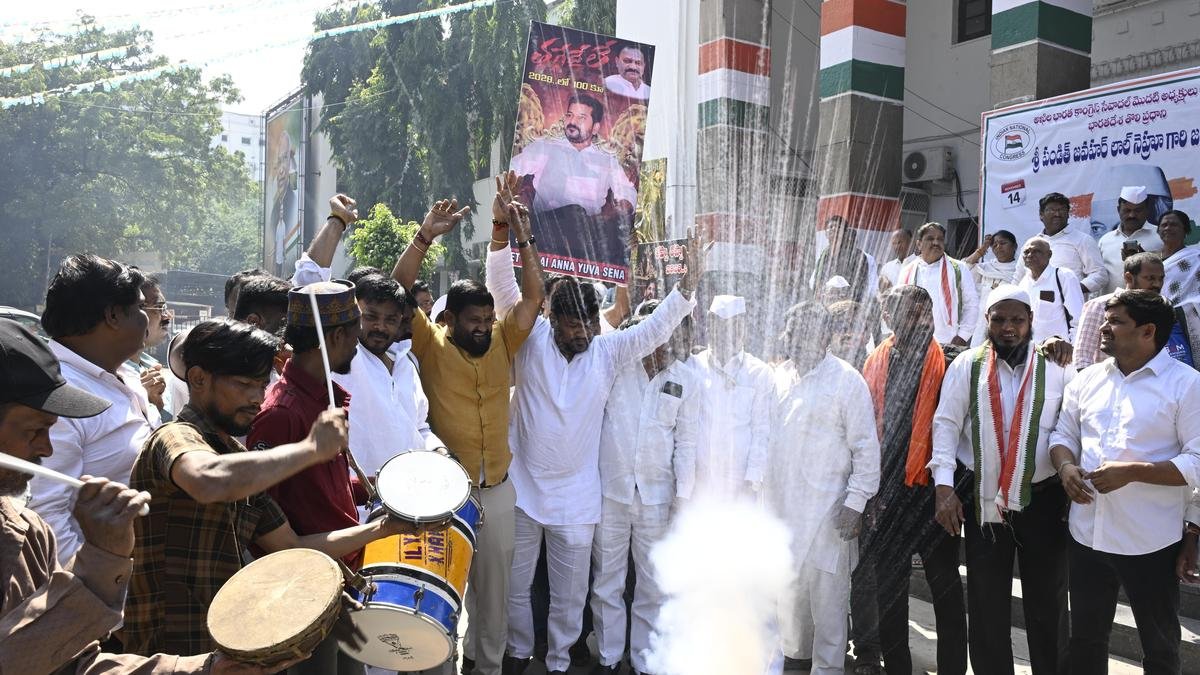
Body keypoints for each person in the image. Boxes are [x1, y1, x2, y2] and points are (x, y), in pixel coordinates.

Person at [0, 319, 283, 674]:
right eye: (33, 430)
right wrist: (101, 559)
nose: (45, 447)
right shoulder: (178, 438)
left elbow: (71, 662)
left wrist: (201, 670)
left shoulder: (29, 533)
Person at [122, 319, 416, 658]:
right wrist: (310, 450)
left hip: (224, 651)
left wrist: (383, 529)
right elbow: (207, 480)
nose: (256, 397)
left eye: (261, 385)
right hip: (167, 652)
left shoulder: (237, 457)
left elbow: (292, 546)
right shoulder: (173, 438)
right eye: (244, 384)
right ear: (199, 379)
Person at [486, 230, 699, 675]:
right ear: (552, 316)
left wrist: (686, 290)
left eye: (588, 323)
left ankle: (561, 662)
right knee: (516, 586)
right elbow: (504, 291)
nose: (582, 332)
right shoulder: (530, 339)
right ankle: (521, 653)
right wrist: (499, 233)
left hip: (578, 499)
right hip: (523, 489)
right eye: (573, 324)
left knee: (570, 595)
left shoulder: (606, 351)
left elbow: (655, 329)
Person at [390, 179, 544, 675]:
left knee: (494, 597)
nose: (482, 325)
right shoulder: (430, 346)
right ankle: (448, 665)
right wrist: (424, 237)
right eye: (472, 319)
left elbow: (535, 295)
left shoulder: (504, 340)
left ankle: (488, 666)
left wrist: (520, 234)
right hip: (445, 496)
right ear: (450, 319)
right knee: (445, 591)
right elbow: (397, 291)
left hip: (497, 492)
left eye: (486, 318)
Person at [1048, 290, 1200, 674]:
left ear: (1148, 331)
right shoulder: (1089, 379)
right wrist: (1066, 468)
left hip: (1150, 541)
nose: (1103, 327)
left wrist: (1131, 472)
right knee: (1084, 641)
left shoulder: (1187, 384)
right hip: (1087, 535)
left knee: (1160, 647)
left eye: (1116, 321)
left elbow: (1197, 461)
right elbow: (1062, 436)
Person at [930, 285, 1072, 675]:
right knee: (987, 600)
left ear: (1031, 322)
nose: (1008, 328)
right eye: (999, 319)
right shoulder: (967, 364)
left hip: (1042, 500)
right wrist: (944, 487)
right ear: (987, 321)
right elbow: (945, 425)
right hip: (983, 497)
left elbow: (1070, 429)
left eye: (1017, 320)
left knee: (1048, 602)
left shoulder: (1057, 366)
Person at [246, 278, 368, 675]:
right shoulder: (282, 414)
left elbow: (311, 489)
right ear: (334, 337)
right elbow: (264, 521)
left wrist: (363, 490)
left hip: (342, 583)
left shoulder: (324, 398)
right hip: (304, 594)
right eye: (354, 334)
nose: (357, 343)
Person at [854, 285, 967, 675]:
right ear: (891, 318)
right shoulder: (874, 361)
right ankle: (898, 668)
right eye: (911, 314)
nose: (921, 322)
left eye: (926, 314)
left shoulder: (951, 361)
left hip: (934, 496)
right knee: (890, 594)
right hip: (887, 497)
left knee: (947, 593)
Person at [293, 200, 442, 489]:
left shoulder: (406, 362)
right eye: (370, 316)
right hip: (355, 511)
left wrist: (438, 451)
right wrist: (337, 221)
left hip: (410, 506)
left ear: (402, 321)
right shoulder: (341, 359)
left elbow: (419, 427)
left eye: (390, 319)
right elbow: (307, 287)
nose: (380, 327)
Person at [768, 301, 880, 675]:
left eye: (807, 333)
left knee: (830, 622)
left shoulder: (847, 380)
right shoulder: (779, 378)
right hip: (784, 517)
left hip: (829, 521)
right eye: (792, 332)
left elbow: (865, 448)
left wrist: (856, 503)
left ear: (826, 336)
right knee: (792, 622)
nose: (797, 340)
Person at [29, 254, 158, 564]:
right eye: (141, 307)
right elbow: (47, 517)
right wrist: (96, 591)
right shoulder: (58, 393)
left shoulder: (125, 374)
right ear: (113, 315)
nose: (149, 318)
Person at [589, 313, 699, 675]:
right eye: (665, 336)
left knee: (652, 585)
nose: (670, 346)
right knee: (608, 580)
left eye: (677, 338)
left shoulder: (686, 379)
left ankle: (644, 663)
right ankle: (607, 658)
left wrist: (682, 499)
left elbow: (686, 444)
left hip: (658, 499)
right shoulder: (618, 368)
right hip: (611, 492)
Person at [689, 295, 774, 501]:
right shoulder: (693, 367)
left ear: (744, 329)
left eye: (735, 327)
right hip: (700, 484)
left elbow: (761, 430)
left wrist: (752, 480)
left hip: (740, 485)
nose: (727, 334)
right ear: (709, 327)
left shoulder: (759, 373)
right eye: (720, 326)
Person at [1073, 252, 1164, 370]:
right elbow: (1082, 358)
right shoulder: (1099, 306)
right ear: (1129, 278)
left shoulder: (1159, 309)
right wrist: (1094, 386)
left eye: (1161, 279)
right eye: (1150, 278)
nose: (1157, 284)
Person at [897, 222, 979, 347]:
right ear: (919, 244)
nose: (936, 242)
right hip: (913, 343)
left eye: (940, 239)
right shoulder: (907, 271)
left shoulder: (959, 269)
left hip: (948, 342)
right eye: (930, 238)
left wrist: (962, 336)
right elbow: (900, 305)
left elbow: (971, 304)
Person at [1013, 192, 1108, 295]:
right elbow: (1018, 277)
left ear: (1068, 214)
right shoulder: (1030, 244)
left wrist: (1072, 289)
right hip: (1033, 306)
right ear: (1041, 215)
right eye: (1051, 210)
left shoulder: (1083, 240)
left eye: (1061, 210)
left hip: (1068, 307)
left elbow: (1100, 275)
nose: (1057, 214)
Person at [1097, 186, 1165, 294]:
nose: (1132, 215)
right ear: (1118, 210)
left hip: (1150, 304)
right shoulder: (1105, 240)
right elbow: (1098, 275)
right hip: (1113, 306)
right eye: (1127, 210)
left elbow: (1169, 270)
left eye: (1138, 210)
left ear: (1147, 210)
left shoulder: (1160, 236)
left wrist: (1144, 257)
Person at [1016, 237, 1084, 342]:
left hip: (1059, 353)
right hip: (1032, 352)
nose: (1030, 255)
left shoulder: (1064, 276)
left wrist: (1073, 348)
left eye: (1036, 251)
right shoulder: (1023, 283)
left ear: (1049, 254)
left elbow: (1078, 319)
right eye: (1026, 252)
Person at [131, 273, 173, 422]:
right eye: (160, 307)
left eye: (165, 308)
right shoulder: (111, 375)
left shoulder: (149, 367)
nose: (167, 316)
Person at [964, 230, 1019, 345]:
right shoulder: (986, 268)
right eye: (994, 245)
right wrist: (983, 249)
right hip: (982, 323)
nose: (998, 247)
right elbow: (965, 268)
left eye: (1003, 243)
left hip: (1006, 324)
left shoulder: (1019, 271)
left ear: (1014, 246)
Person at [812, 215, 878, 303]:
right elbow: (817, 283)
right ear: (826, 233)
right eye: (830, 227)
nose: (834, 229)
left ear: (845, 232)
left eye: (838, 227)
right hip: (824, 305)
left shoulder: (858, 256)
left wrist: (843, 297)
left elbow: (861, 285)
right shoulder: (823, 256)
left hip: (848, 306)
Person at [1157, 209, 1200, 305]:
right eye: (1164, 225)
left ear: (1185, 230)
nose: (1168, 228)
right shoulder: (1151, 260)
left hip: (1191, 315)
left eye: (1174, 225)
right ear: (1158, 230)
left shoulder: (1196, 258)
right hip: (1158, 313)